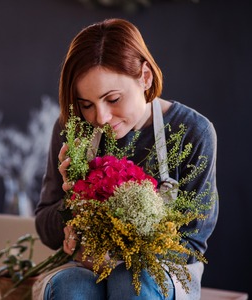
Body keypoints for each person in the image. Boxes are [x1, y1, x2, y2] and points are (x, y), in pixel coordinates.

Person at [34, 18, 219, 300]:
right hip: (85, 269)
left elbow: (191, 242)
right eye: (87, 105)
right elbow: (46, 231)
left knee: (130, 281)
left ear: (145, 77)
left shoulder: (193, 131)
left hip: (160, 272)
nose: (101, 118)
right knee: (71, 287)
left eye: (113, 99)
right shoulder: (71, 129)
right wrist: (71, 196)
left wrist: (113, 247)